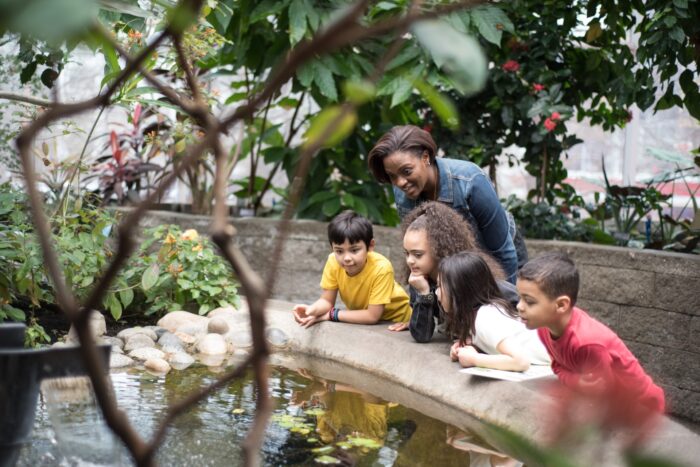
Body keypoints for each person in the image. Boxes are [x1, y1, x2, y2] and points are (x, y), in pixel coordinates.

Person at [368, 125, 526, 283]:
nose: (400, 182)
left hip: (499, 259)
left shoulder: (470, 181)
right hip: (456, 265)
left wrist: (508, 303)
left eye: (407, 171)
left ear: (425, 157)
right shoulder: (402, 192)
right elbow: (417, 252)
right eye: (392, 176)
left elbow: (503, 252)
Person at [516, 253, 665, 417]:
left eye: (529, 301)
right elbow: (558, 367)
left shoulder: (587, 343)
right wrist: (578, 382)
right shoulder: (545, 329)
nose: (519, 306)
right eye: (520, 298)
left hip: (642, 407)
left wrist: (578, 384)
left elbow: (602, 392)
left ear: (561, 305)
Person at [400, 201, 519, 340]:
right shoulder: (419, 279)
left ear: (439, 248)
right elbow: (421, 335)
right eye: (407, 253)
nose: (410, 261)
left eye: (418, 254)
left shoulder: (466, 273)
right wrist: (424, 295)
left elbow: (515, 297)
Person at [293, 210, 411, 329]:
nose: (347, 258)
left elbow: (372, 316)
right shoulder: (333, 261)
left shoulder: (381, 268)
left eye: (354, 250)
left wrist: (331, 315)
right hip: (366, 320)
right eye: (339, 251)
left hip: (399, 321)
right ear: (332, 248)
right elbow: (327, 301)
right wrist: (311, 310)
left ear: (370, 246)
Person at [437, 252, 550, 371]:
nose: (436, 292)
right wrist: (474, 345)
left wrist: (474, 359)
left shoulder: (485, 318)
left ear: (458, 291)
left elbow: (521, 361)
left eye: (440, 286)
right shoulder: (481, 315)